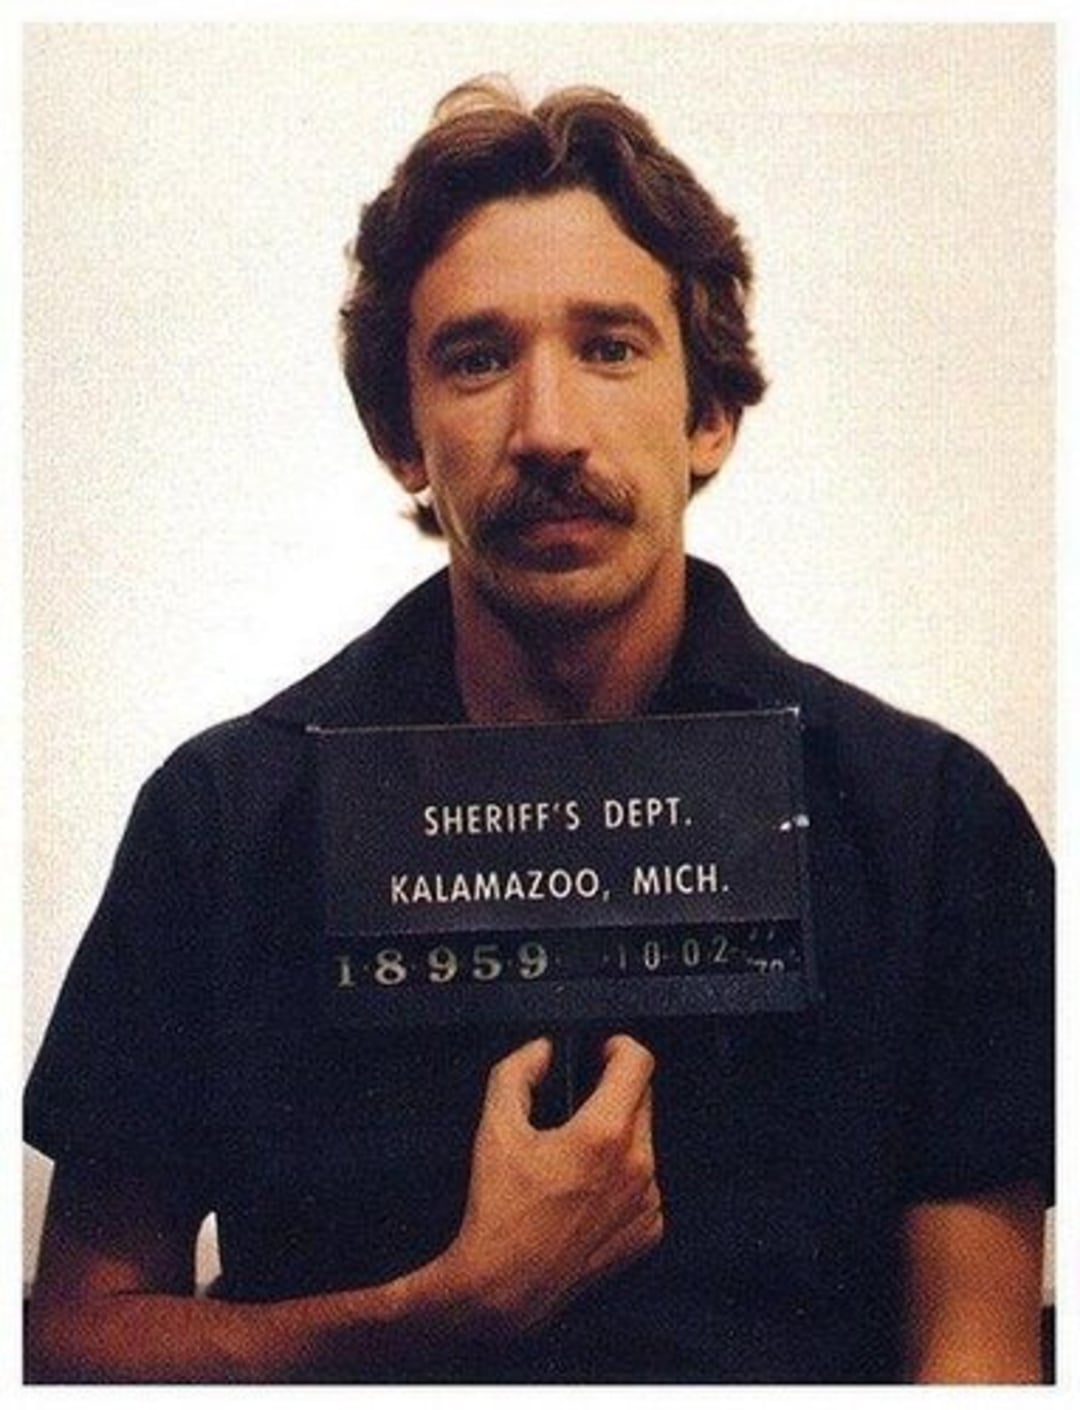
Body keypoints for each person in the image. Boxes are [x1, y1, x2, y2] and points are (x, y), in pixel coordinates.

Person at [24, 76, 1053, 1384]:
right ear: (403, 436)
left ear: (709, 416)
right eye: (477, 356)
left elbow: (977, 1358)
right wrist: (432, 1313)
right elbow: (73, 1342)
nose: (549, 428)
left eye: (611, 345)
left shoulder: (932, 828)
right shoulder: (224, 821)